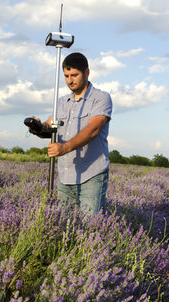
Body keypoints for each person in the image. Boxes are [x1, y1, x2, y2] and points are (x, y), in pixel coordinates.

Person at [36, 52, 112, 216]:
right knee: (66, 226)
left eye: (74, 75)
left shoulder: (101, 98)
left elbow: (94, 129)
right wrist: (37, 126)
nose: (70, 80)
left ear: (86, 72)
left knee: (90, 226)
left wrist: (65, 147)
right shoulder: (62, 102)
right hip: (65, 175)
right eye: (66, 76)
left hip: (92, 174)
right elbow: (49, 127)